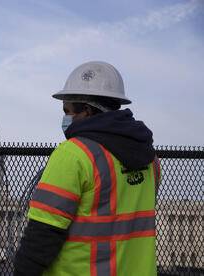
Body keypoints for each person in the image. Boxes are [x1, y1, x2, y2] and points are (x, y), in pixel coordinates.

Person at [14, 61, 160, 276]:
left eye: (68, 111)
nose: (65, 119)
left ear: (88, 110)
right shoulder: (151, 160)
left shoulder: (73, 154)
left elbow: (41, 236)